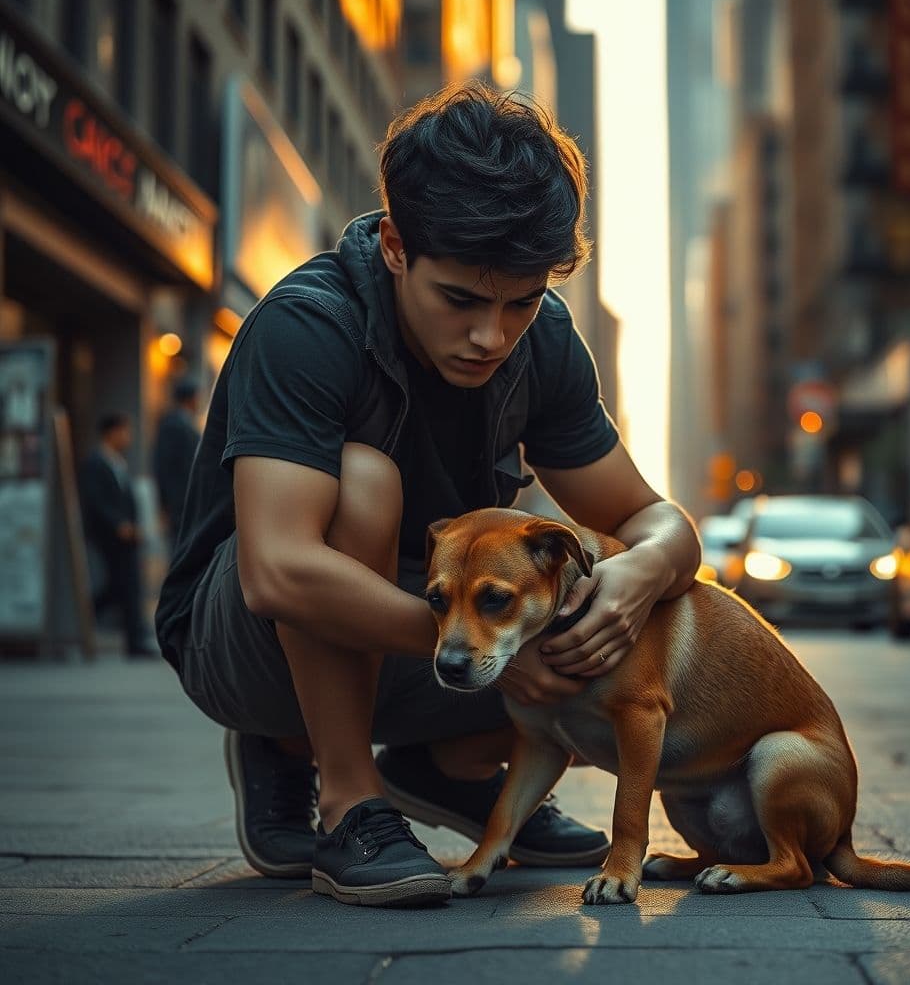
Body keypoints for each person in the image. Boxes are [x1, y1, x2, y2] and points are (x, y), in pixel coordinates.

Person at [155, 83, 702, 908]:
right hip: (244, 641)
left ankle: (449, 769)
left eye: (520, 302)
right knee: (364, 484)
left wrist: (641, 576)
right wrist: (478, 642)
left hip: (420, 640)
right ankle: (330, 782)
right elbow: (277, 571)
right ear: (397, 246)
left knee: (570, 601)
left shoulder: (543, 339)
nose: (492, 335)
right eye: (462, 300)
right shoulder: (309, 326)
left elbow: (658, 519)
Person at [80, 413, 150, 658]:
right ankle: (84, 613)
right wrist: (118, 524)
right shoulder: (96, 462)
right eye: (124, 431)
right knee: (123, 586)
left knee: (124, 586)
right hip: (109, 537)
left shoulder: (117, 461)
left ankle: (134, 641)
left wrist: (133, 525)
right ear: (111, 432)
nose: (127, 437)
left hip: (126, 536)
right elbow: (96, 500)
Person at [153, 377, 201, 544]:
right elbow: (163, 465)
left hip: (185, 500)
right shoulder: (173, 424)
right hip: (179, 501)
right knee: (179, 546)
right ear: (190, 398)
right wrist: (166, 502)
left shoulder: (185, 423)